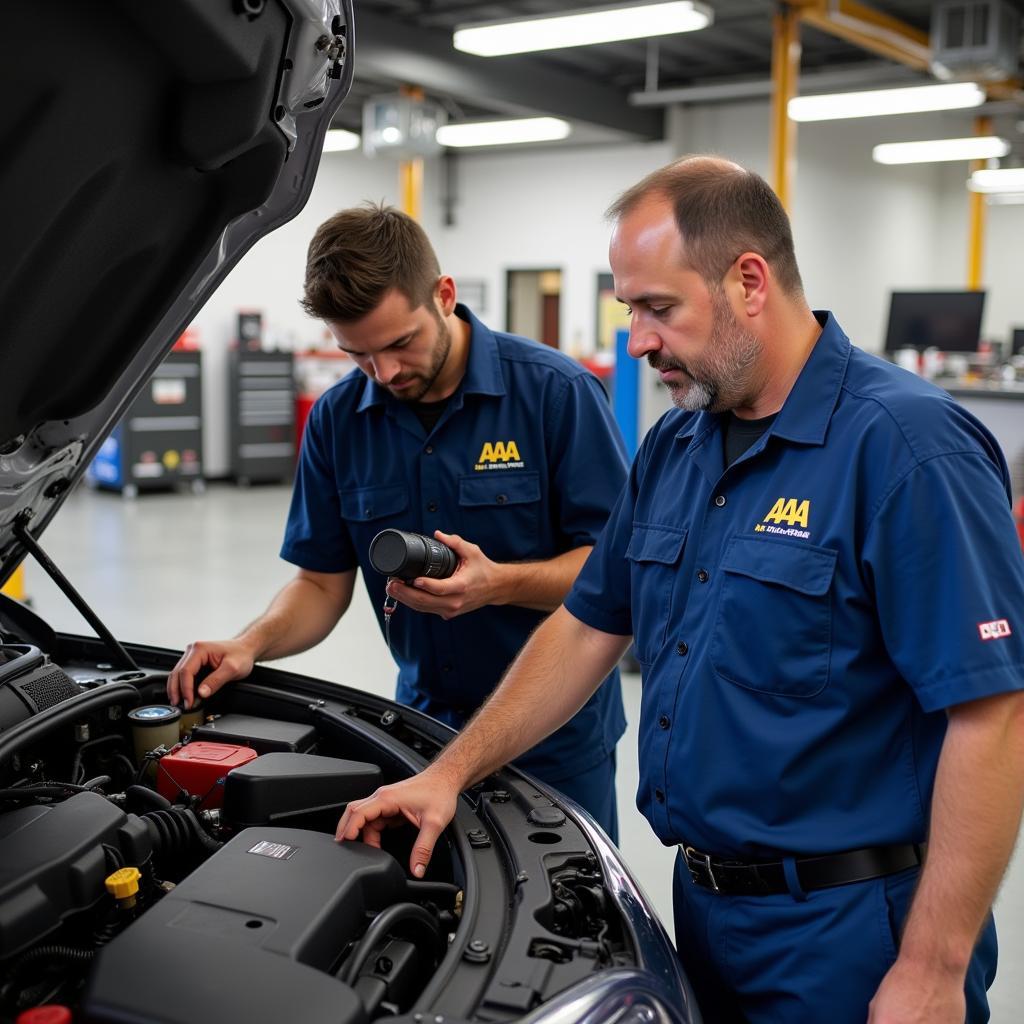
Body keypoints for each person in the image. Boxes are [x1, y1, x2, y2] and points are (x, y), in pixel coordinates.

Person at [336, 159, 1024, 1024]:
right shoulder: (677, 446)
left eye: (658, 308)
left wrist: (931, 965)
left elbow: (991, 715)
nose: (638, 340)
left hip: (852, 931)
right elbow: (588, 627)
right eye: (631, 310)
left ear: (748, 281)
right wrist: (451, 772)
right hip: (701, 908)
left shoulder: (907, 449)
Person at [167, 203, 628, 839]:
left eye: (399, 343)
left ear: (444, 296)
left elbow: (613, 571)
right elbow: (320, 586)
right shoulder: (337, 420)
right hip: (421, 732)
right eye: (357, 355)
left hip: (552, 738)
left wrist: (500, 585)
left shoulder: (556, 395)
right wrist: (251, 643)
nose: (384, 374)